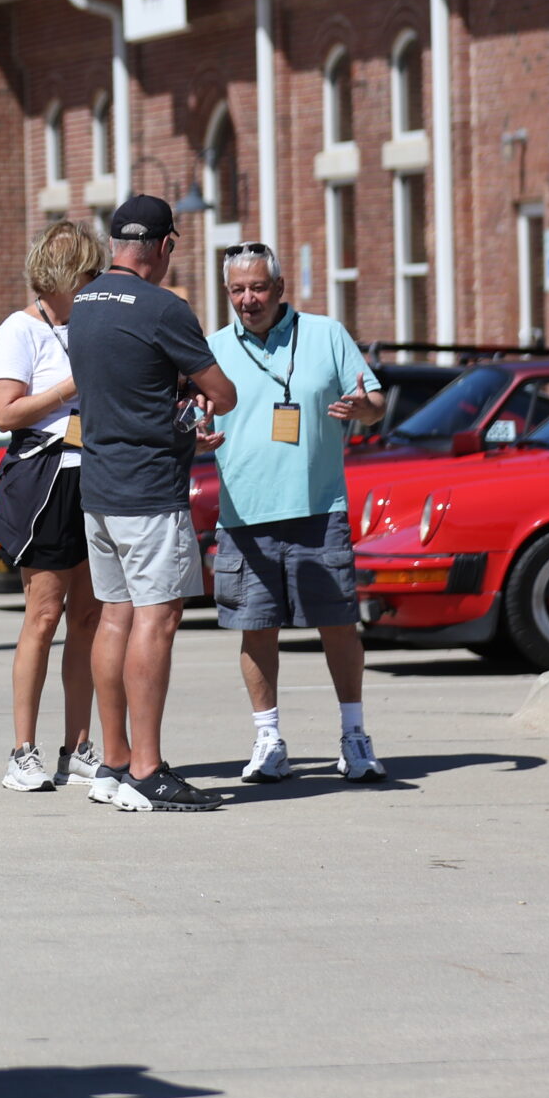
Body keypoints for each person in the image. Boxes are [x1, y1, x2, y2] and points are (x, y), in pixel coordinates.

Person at [67, 196, 238, 813]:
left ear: (114, 243)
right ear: (165, 246)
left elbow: (126, 386)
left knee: (114, 617)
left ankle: (113, 763)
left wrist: (171, 400)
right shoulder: (164, 308)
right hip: (148, 488)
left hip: (99, 486)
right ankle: (146, 768)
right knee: (157, 621)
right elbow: (224, 392)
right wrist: (191, 394)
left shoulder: (83, 303)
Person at [203, 243, 388, 784]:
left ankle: (354, 736)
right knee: (256, 630)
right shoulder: (212, 350)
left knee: (338, 626)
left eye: (258, 288)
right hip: (244, 515)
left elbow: (375, 406)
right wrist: (192, 435)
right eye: (237, 290)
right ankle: (269, 740)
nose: (248, 299)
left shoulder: (326, 335)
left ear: (280, 289)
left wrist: (364, 409)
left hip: (318, 508)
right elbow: (190, 417)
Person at [0, 221, 106, 792]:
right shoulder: (18, 330)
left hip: (96, 474)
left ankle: (77, 748)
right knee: (43, 615)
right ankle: (22, 751)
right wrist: (67, 388)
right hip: (45, 480)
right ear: (61, 276)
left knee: (88, 618)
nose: (96, 283)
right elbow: (5, 414)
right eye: (89, 274)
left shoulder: (92, 325)